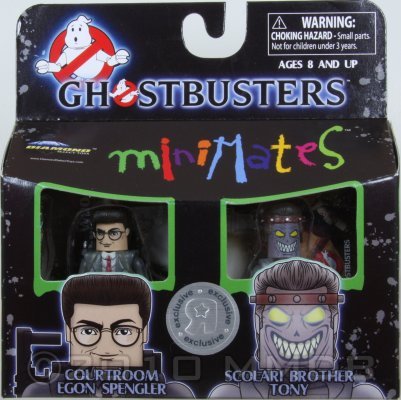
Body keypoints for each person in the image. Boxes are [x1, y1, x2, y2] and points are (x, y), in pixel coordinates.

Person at [210, 259, 384, 398]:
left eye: (314, 316)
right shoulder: (230, 395)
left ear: (334, 321)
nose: (296, 331)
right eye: (279, 316)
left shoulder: (362, 396)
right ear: (258, 322)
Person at [22, 274, 193, 397]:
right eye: (88, 331)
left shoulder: (171, 394)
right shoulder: (44, 394)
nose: (106, 350)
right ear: (69, 332)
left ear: (144, 333)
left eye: (124, 332)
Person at [79, 208, 150, 279]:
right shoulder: (88, 260)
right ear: (94, 235)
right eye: (100, 233)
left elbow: (145, 284)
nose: (106, 241)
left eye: (114, 233)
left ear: (126, 232)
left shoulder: (133, 260)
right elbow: (78, 283)